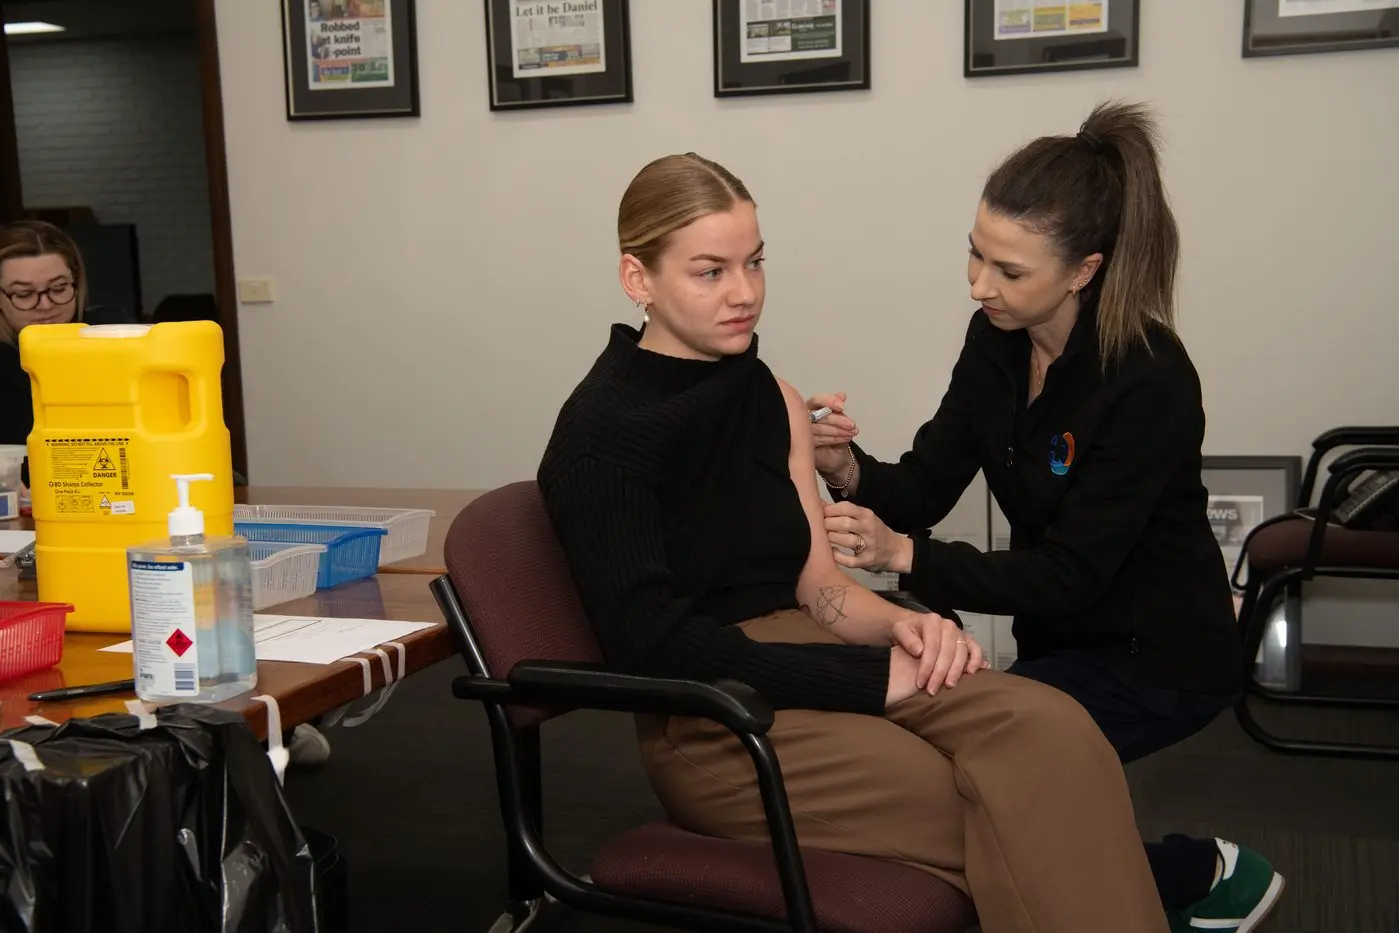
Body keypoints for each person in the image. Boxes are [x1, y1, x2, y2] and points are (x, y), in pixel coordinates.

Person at [537, 151, 1174, 933]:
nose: (744, 293)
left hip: (811, 656)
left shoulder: (764, 393)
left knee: (1056, 730)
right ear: (638, 279)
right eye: (710, 272)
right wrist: (871, 679)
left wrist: (904, 626)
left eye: (755, 262)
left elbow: (820, 587)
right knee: (982, 794)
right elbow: (658, 646)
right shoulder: (601, 439)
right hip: (711, 713)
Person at [806, 101, 1283, 933]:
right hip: (1062, 639)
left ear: (1083, 269)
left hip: (1160, 658)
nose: (978, 284)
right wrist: (846, 467)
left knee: (983, 774)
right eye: (973, 253)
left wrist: (906, 556)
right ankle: (1185, 875)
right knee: (986, 780)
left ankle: (1189, 873)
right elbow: (923, 482)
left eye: (1008, 269)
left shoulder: (1147, 380)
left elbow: (1069, 571)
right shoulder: (994, 339)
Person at [0, 220, 93, 446]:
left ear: (76, 283)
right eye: (24, 294)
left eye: (58, 288)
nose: (45, 305)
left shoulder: (113, 340)